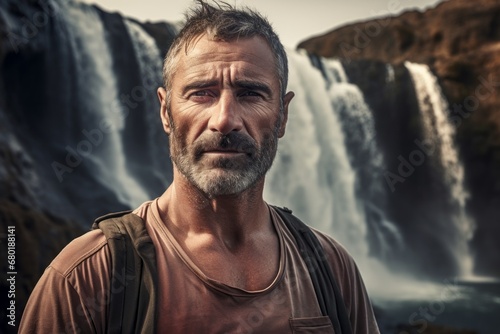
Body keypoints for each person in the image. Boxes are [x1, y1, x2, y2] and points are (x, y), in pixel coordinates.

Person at [20, 1, 380, 333]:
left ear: (283, 115)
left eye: (250, 93)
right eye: (201, 93)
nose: (224, 121)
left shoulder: (332, 269)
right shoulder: (85, 279)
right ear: (165, 111)